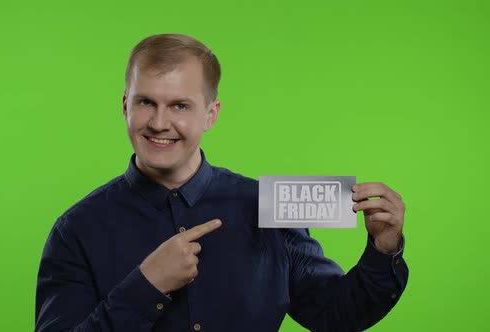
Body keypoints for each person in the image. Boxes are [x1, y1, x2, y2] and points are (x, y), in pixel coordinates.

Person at [35, 34, 408, 332]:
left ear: (210, 114)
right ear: (125, 107)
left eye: (180, 106)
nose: (159, 123)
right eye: (146, 102)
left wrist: (383, 248)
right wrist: (147, 285)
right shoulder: (76, 230)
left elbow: (335, 316)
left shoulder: (268, 207)